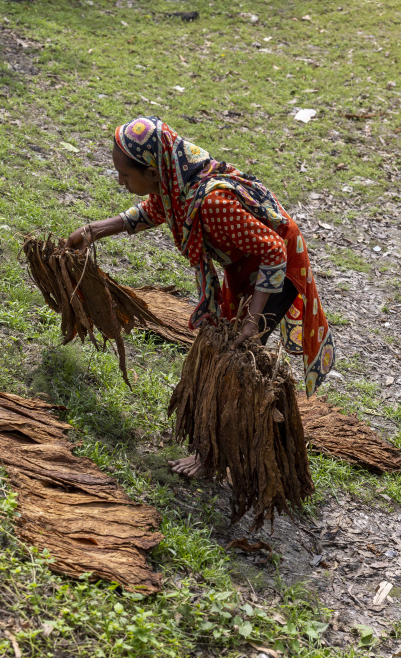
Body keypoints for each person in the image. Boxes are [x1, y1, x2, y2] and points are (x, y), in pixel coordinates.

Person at [67, 116, 335, 477]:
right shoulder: (176, 182)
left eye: (126, 176)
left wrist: (251, 320)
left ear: (152, 172)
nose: (120, 181)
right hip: (245, 266)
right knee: (227, 350)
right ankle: (248, 438)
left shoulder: (210, 203)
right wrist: (92, 231)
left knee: (235, 360)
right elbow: (153, 210)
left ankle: (215, 458)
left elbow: (274, 251)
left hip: (274, 273)